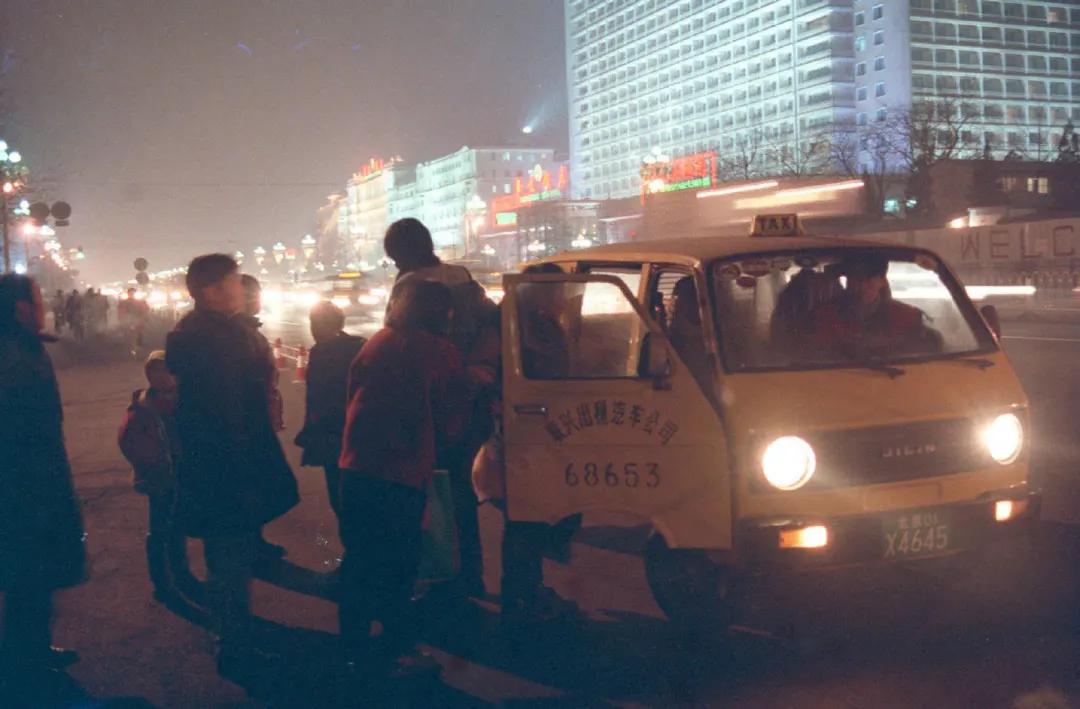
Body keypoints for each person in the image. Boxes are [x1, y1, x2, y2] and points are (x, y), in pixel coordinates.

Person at [166, 254, 299, 671]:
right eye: (235, 281)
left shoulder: (208, 333)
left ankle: (231, 634)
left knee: (228, 555)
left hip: (218, 463)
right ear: (212, 292)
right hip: (227, 465)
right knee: (228, 558)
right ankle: (234, 645)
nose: (242, 288)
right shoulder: (215, 340)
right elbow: (230, 410)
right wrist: (247, 468)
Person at [337, 278, 469, 679]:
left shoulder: (377, 342)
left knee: (360, 560)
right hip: (402, 470)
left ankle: (353, 646)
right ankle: (398, 653)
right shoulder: (439, 352)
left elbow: (353, 394)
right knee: (398, 566)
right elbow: (451, 420)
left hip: (356, 466)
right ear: (443, 314)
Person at [384, 218, 498, 598]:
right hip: (472, 394)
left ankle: (444, 574)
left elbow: (397, 340)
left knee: (433, 491)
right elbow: (491, 320)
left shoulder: (408, 286)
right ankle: (471, 573)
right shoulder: (462, 276)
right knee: (461, 489)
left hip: (432, 399)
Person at [0, 274, 86, 677]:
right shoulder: (14, 357)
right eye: (37, 301)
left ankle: (28, 650)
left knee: (28, 575)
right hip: (25, 484)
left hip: (31, 479)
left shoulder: (22, 349)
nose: (44, 308)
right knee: (30, 572)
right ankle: (27, 661)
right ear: (20, 309)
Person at [117, 351, 202, 605]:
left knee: (177, 527)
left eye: (167, 371)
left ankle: (181, 574)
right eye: (156, 372)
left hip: (180, 473)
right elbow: (128, 441)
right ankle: (162, 582)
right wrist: (148, 466)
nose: (163, 377)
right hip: (159, 477)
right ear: (149, 377)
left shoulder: (183, 402)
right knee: (160, 529)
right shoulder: (143, 409)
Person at [294, 301, 366, 520]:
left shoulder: (322, 354)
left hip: (333, 435)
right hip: (361, 431)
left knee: (341, 497)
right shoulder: (359, 346)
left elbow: (319, 399)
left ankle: (354, 548)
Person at [234, 275, 288, 562]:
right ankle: (247, 547)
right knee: (252, 484)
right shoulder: (235, 333)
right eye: (250, 294)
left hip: (258, 416)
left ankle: (253, 540)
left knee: (258, 484)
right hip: (247, 422)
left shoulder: (248, 329)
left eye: (258, 293)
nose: (257, 299)